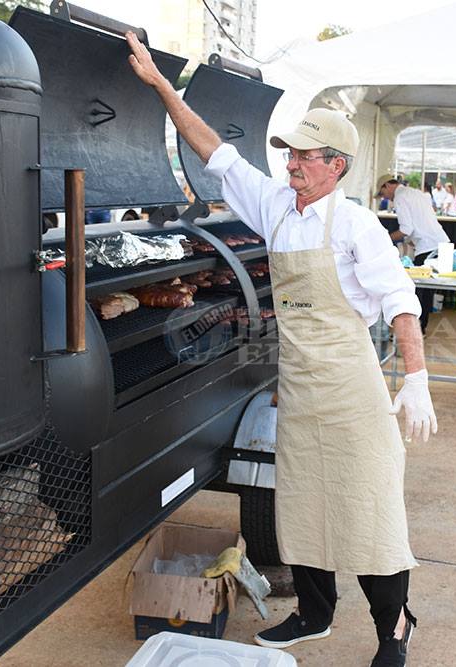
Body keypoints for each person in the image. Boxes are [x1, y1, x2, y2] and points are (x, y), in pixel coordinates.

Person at [125, 34, 436, 667]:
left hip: (350, 387)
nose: (290, 164)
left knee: (367, 506)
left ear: (336, 165)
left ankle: (393, 627)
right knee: (302, 503)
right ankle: (316, 613)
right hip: (300, 382)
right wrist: (162, 87)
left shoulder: (355, 224)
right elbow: (215, 153)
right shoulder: (277, 207)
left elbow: (402, 300)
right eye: (289, 154)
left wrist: (417, 377)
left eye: (302, 157)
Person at [377, 175, 451, 335]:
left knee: (418, 292)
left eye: (382, 194)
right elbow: (418, 224)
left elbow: (406, 229)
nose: (385, 198)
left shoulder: (400, 197)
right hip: (442, 242)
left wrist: (384, 239)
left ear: (387, 186)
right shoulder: (417, 193)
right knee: (427, 292)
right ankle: (421, 329)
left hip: (427, 247)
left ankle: (415, 331)